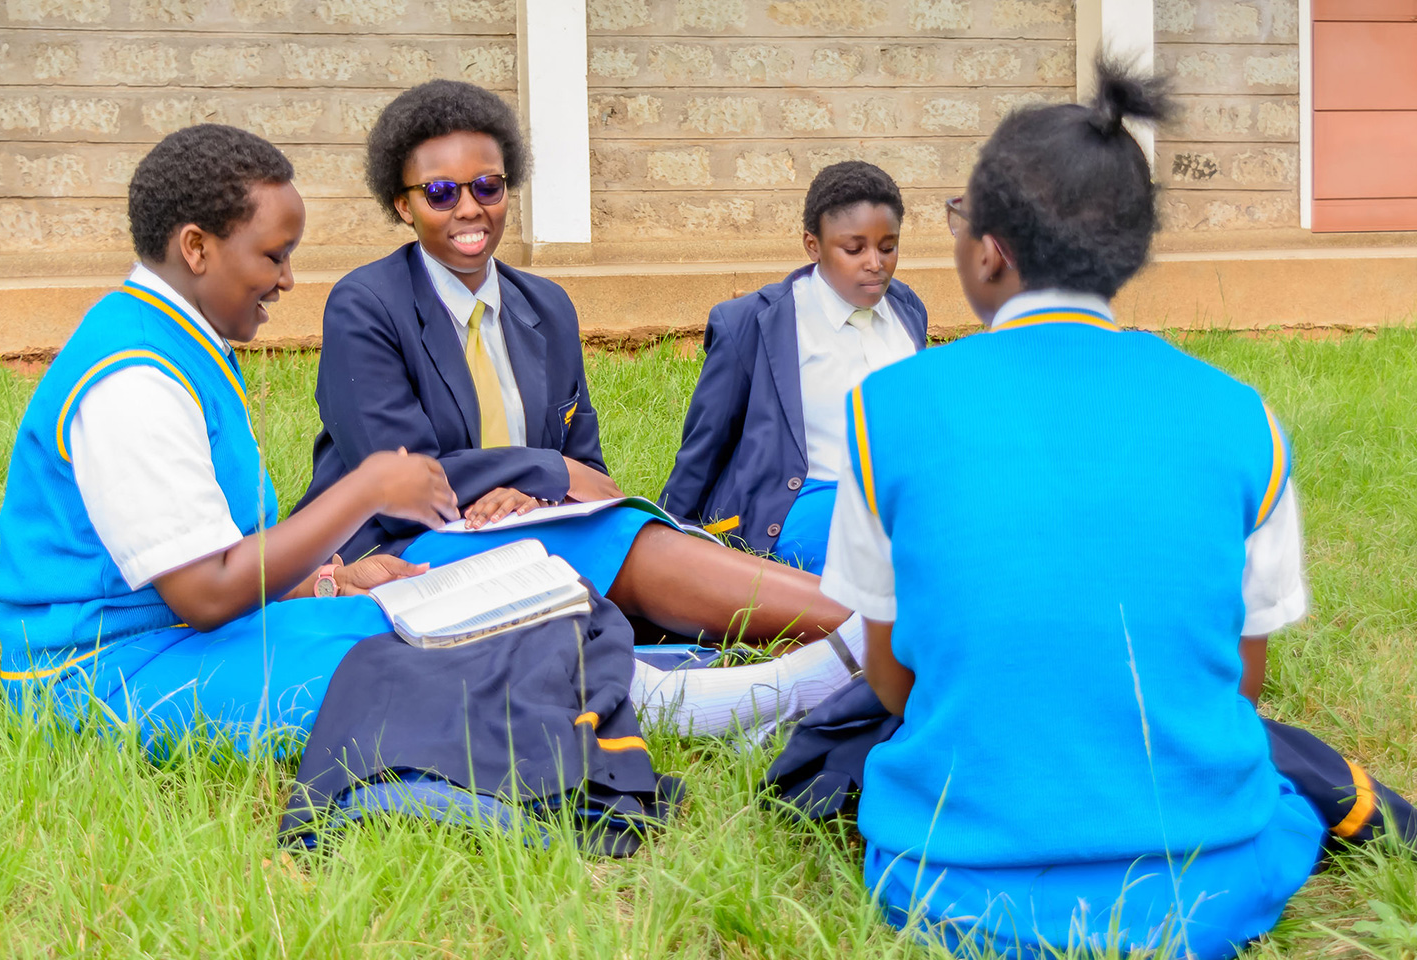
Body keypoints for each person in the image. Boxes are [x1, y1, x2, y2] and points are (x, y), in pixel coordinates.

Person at [819, 60, 1328, 958]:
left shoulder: (882, 411)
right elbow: (1242, 682)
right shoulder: (1241, 413)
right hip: (1208, 883)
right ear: (1130, 251)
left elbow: (893, 677)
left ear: (989, 249)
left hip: (952, 879)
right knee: (1289, 803)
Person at [295, 80, 871, 736]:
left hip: (532, 523)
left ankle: (827, 650)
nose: (469, 210)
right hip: (403, 551)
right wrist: (548, 475)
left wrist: (537, 490)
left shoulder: (546, 307)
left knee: (611, 533)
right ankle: (873, 628)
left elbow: (590, 474)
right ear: (402, 204)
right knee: (604, 539)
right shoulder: (366, 305)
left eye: (487, 186)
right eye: (440, 192)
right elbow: (401, 480)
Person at [0, 124, 460, 752]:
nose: (288, 279)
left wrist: (331, 581)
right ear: (196, 247)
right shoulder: (131, 377)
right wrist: (367, 489)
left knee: (421, 614)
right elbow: (207, 591)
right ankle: (619, 691)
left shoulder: (181, 339)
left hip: (174, 636)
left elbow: (207, 546)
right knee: (413, 672)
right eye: (273, 255)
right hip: (101, 675)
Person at [661, 161, 927, 573]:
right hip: (804, 500)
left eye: (888, 246)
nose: (875, 263)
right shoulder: (753, 323)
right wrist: (669, 538)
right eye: (854, 249)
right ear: (812, 245)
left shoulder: (907, 309)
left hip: (903, 497)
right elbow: (705, 445)